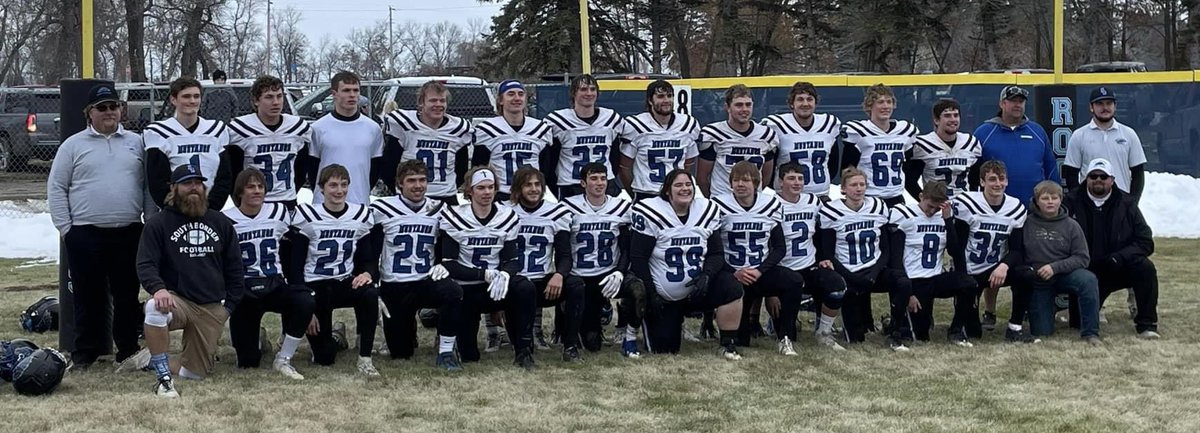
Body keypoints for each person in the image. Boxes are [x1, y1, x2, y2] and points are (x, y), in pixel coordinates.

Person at [48, 83, 157, 369]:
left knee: (126, 295)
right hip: (85, 233)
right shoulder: (72, 146)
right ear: (90, 113)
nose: (109, 112)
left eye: (113, 106)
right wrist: (66, 229)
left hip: (129, 231)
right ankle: (85, 352)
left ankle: (127, 350)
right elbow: (57, 187)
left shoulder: (137, 142)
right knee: (88, 295)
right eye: (102, 108)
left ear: (121, 110)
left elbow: (146, 188)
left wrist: (148, 223)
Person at [128, 165, 244, 398]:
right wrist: (158, 289)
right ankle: (163, 379)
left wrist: (228, 308)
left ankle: (151, 358)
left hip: (211, 306)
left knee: (194, 374)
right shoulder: (158, 224)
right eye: (187, 183)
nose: (194, 188)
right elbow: (146, 264)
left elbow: (235, 269)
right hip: (177, 300)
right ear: (173, 188)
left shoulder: (220, 222)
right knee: (154, 308)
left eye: (198, 183)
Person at [630, 169, 744, 359]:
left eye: (688, 184)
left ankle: (728, 344)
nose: (685, 189)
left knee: (730, 286)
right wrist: (651, 294)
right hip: (664, 297)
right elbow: (638, 258)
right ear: (667, 190)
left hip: (697, 290)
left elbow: (716, 253)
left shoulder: (706, 210)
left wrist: (706, 275)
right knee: (665, 349)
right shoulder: (651, 212)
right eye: (678, 185)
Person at [439, 166, 539, 370]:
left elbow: (512, 259)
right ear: (470, 191)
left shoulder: (506, 216)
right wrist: (482, 274)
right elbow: (449, 264)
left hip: (496, 285)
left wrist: (505, 274)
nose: (487, 192)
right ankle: (460, 345)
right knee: (470, 356)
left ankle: (524, 350)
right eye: (481, 188)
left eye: (491, 187)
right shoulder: (454, 217)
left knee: (524, 287)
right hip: (467, 287)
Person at [369, 160, 466, 370]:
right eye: (411, 180)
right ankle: (407, 328)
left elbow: (450, 244)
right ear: (399, 184)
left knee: (453, 292)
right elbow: (372, 249)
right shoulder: (382, 208)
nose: (418, 185)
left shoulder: (439, 208)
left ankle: (446, 351)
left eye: (422, 180)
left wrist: (444, 265)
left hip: (425, 280)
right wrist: (374, 284)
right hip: (395, 284)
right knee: (401, 354)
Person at [221, 169, 315, 380]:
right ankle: (257, 341)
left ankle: (284, 358)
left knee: (305, 301)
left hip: (274, 284)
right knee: (247, 363)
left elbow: (308, 234)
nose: (256, 191)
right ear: (239, 192)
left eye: (260, 187)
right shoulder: (225, 220)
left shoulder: (280, 212)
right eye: (250, 187)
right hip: (244, 290)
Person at [290, 164, 380, 375]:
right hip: (316, 285)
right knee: (324, 359)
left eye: (343, 184)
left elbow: (368, 258)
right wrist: (305, 307)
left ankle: (365, 357)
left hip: (343, 281)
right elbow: (295, 265)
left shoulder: (359, 215)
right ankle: (336, 337)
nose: (339, 190)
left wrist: (367, 273)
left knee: (370, 293)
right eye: (333, 185)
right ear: (321, 189)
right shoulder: (307, 215)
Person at [818, 167, 912, 351]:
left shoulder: (877, 206)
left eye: (862, 184)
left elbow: (886, 249)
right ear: (843, 189)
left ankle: (895, 331)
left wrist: (875, 273)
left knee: (903, 282)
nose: (858, 188)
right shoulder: (831, 211)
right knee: (856, 339)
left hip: (874, 269)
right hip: (849, 273)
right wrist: (851, 278)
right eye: (853, 185)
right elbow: (828, 253)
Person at [710, 162, 798, 354]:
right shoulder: (718, 205)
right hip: (733, 273)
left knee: (794, 281)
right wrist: (734, 272)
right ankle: (721, 329)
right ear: (730, 183)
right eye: (736, 180)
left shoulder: (770, 204)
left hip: (759, 271)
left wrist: (760, 270)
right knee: (741, 340)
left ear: (756, 183)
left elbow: (779, 248)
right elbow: (713, 251)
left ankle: (785, 336)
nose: (740, 184)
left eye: (746, 180)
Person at [1065, 158, 1159, 339]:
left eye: (1103, 176)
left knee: (1145, 268)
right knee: (1077, 324)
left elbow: (1145, 241)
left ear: (1112, 180)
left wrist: (1120, 257)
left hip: (1117, 266)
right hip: (1085, 271)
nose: (1098, 180)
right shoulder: (1071, 201)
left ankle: (1146, 324)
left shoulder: (1127, 203)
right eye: (1093, 176)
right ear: (1086, 178)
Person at [561, 162, 646, 357]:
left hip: (610, 274)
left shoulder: (621, 207)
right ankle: (591, 316)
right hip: (582, 277)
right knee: (592, 344)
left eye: (602, 178)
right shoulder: (568, 207)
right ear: (583, 183)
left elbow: (626, 246)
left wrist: (619, 271)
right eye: (593, 178)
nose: (599, 183)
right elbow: (562, 248)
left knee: (638, 290)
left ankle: (629, 336)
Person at [950, 160, 1039, 343]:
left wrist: (1004, 266)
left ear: (1007, 181)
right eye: (992, 179)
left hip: (996, 268)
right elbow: (957, 247)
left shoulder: (1015, 208)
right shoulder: (967, 203)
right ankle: (960, 324)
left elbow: (1016, 250)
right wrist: (964, 276)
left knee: (1026, 274)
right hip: (970, 269)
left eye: (1001, 179)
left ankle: (1015, 327)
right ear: (982, 182)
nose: (997, 184)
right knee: (974, 333)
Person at [886, 181, 978, 346]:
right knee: (920, 335)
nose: (931, 211)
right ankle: (893, 323)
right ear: (921, 196)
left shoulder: (944, 217)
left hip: (935, 277)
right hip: (913, 280)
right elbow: (895, 257)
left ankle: (956, 330)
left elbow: (955, 251)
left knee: (969, 284)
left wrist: (948, 220)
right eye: (929, 206)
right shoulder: (903, 214)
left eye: (937, 207)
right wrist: (908, 292)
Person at [509, 167, 587, 362]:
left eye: (537, 184)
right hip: (516, 284)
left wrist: (559, 274)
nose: (534, 189)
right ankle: (524, 348)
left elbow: (564, 254)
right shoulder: (506, 212)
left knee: (575, 285)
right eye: (528, 185)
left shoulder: (556, 212)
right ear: (518, 189)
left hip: (543, 282)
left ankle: (570, 346)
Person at [773, 162, 847, 350]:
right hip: (782, 267)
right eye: (791, 178)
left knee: (837, 285)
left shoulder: (813, 201)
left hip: (808, 264)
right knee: (788, 331)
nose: (796, 183)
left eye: (800, 178)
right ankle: (781, 332)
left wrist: (823, 256)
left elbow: (822, 232)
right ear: (780, 182)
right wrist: (770, 292)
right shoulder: (771, 204)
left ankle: (823, 332)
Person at [1018, 181, 1101, 344]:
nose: (1050, 202)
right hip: (1038, 280)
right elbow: (1018, 254)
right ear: (1036, 201)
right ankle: (1045, 313)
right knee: (1042, 333)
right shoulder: (1025, 223)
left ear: (1060, 200)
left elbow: (1082, 257)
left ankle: (1091, 333)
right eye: (1045, 198)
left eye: (1054, 198)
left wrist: (1055, 267)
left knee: (1088, 280)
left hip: (1065, 275)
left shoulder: (1072, 226)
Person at [144, 76, 233, 210]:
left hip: (209, 206)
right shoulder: (159, 132)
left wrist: (212, 207)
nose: (192, 101)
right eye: (186, 96)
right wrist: (174, 209)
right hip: (176, 209)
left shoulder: (216, 130)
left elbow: (224, 177)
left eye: (196, 96)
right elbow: (158, 181)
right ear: (173, 99)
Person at [225, 75, 312, 209]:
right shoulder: (240, 129)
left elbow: (302, 167)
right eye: (269, 97)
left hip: (287, 200)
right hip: (254, 203)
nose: (276, 102)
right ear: (256, 101)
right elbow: (233, 170)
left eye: (279, 96)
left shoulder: (297, 127)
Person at [382, 80, 472, 204]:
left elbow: (461, 168)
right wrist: (402, 189)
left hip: (445, 196)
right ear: (421, 103)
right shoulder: (405, 126)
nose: (438, 104)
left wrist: (447, 187)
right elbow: (388, 166)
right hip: (410, 198)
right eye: (433, 100)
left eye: (442, 100)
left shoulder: (458, 129)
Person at [306, 71, 385, 205]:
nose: (352, 95)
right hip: (324, 206)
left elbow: (375, 169)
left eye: (356, 90)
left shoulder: (373, 128)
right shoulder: (318, 128)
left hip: (359, 204)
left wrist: (362, 191)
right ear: (334, 94)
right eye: (346, 90)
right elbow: (312, 169)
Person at [972, 85, 1060, 204]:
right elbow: (973, 173)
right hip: (996, 209)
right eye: (1013, 101)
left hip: (1034, 208)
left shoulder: (1037, 131)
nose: (1018, 105)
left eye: (1021, 101)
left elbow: (1051, 169)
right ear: (1002, 104)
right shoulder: (984, 133)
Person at [471, 80, 553, 202]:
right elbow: (479, 167)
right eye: (510, 94)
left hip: (531, 195)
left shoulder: (540, 129)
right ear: (500, 100)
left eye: (520, 94)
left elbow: (546, 168)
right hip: (501, 194)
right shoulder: (487, 130)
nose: (516, 98)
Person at [618, 80, 700, 201]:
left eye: (670, 96)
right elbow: (624, 167)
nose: (666, 100)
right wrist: (634, 193)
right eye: (660, 96)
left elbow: (688, 164)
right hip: (646, 193)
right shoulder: (636, 126)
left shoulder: (688, 125)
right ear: (650, 100)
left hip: (676, 193)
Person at [544, 74, 624, 198]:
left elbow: (615, 156)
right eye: (583, 89)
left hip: (604, 184)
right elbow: (550, 161)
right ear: (573, 93)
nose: (589, 93)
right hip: (572, 185)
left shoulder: (610, 119)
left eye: (592, 89)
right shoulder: (558, 122)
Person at [840, 83, 919, 207]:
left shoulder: (905, 131)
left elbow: (907, 168)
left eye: (889, 102)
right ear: (870, 105)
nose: (886, 106)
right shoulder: (859, 132)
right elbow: (847, 168)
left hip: (896, 197)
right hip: (869, 198)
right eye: (880, 102)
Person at [1064, 87, 1147, 201]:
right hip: (1090, 205)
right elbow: (1071, 174)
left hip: (1120, 204)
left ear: (1115, 106)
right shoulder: (1079, 135)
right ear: (1091, 107)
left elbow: (1138, 173)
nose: (1105, 108)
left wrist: (1131, 203)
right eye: (1100, 104)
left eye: (1109, 103)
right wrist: (1080, 204)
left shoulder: (1129, 134)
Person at [697, 84, 779, 198]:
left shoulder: (766, 135)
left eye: (748, 105)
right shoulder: (714, 133)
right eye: (739, 105)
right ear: (727, 107)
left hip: (754, 202)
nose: (744, 109)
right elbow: (702, 178)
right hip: (723, 200)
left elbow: (766, 177)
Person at [762, 82, 841, 198]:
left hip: (820, 196)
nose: (805, 104)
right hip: (788, 199)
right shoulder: (776, 126)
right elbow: (768, 162)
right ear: (792, 103)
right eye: (800, 99)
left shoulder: (829, 124)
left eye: (810, 99)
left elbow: (833, 164)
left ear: (815, 103)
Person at [904, 98, 981, 201]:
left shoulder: (971, 143)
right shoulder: (922, 146)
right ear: (936, 120)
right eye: (947, 116)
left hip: (964, 206)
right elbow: (909, 181)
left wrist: (972, 202)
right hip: (936, 208)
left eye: (956, 115)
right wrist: (925, 202)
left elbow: (975, 180)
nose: (953, 119)